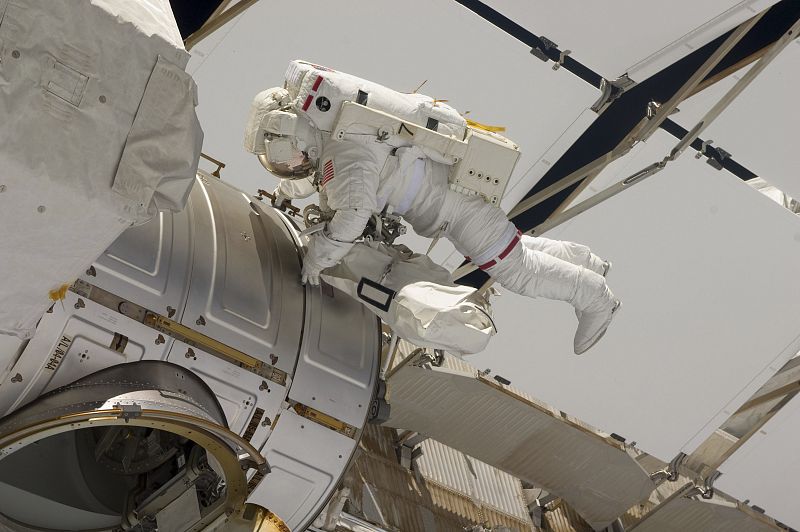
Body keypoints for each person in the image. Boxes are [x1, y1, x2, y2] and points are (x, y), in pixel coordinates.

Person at [244, 63, 619, 355]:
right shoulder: (342, 139)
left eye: (285, 157)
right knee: (513, 246)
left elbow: (352, 215)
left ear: (296, 135)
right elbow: (320, 179)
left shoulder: (345, 154)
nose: (292, 163)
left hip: (461, 209)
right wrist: (283, 190)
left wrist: (317, 259)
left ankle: (595, 297)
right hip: (453, 200)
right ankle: (582, 260)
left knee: (516, 271)